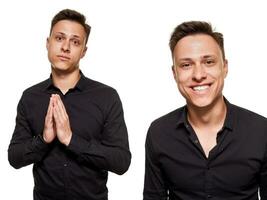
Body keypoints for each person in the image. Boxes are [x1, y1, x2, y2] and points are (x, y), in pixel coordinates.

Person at [8, 9, 131, 200]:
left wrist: (71, 140)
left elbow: (121, 162)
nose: (65, 47)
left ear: (84, 51)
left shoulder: (106, 97)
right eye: (59, 38)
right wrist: (44, 139)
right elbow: (14, 158)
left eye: (75, 42)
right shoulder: (30, 97)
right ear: (47, 43)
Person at [143, 21, 267, 200]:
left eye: (208, 62)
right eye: (186, 65)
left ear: (224, 67)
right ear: (174, 73)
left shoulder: (261, 131)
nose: (198, 75)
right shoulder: (159, 132)